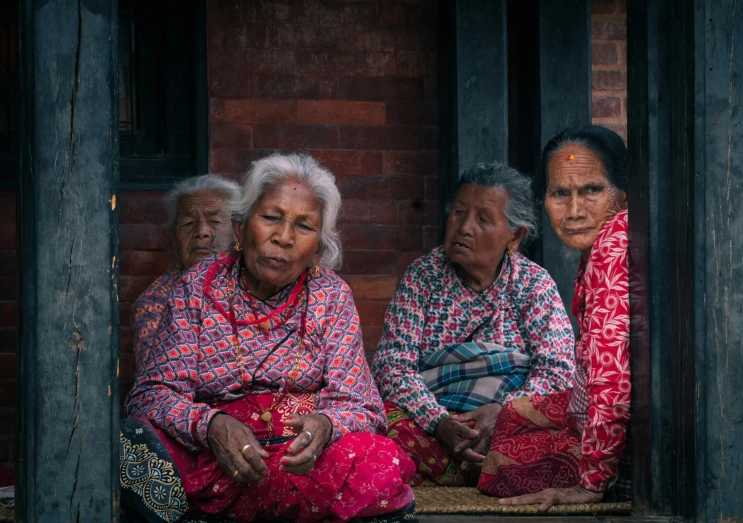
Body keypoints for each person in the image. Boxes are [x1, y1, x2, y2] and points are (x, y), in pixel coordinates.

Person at [122, 153, 415, 523]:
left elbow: (363, 406)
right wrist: (210, 425)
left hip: (302, 460)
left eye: (304, 226)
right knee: (133, 447)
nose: (284, 237)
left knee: (381, 459)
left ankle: (231, 509)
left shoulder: (331, 295)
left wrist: (325, 426)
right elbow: (151, 396)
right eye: (272, 218)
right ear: (241, 229)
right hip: (213, 455)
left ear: (318, 250)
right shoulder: (196, 288)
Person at [372, 163, 576, 487]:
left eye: (482, 219)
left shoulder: (534, 284)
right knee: (378, 435)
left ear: (515, 235)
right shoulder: (423, 276)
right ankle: (480, 468)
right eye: (459, 213)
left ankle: (471, 466)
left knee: (569, 432)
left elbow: (557, 371)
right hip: (432, 425)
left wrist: (504, 414)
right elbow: (391, 366)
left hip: (508, 422)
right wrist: (439, 422)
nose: (464, 227)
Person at [479, 125, 631, 509]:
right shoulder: (607, 241)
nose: (575, 210)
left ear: (623, 193)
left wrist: (591, 482)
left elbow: (611, 379)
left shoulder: (612, 248)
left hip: (626, 430)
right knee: (512, 416)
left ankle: (607, 470)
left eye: (592, 190)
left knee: (502, 466)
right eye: (561, 193)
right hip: (602, 411)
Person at [132, 174, 239, 371]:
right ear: (174, 237)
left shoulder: (260, 284)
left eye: (214, 221)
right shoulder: (156, 303)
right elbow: (157, 381)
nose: (202, 231)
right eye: (189, 223)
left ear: (238, 231)